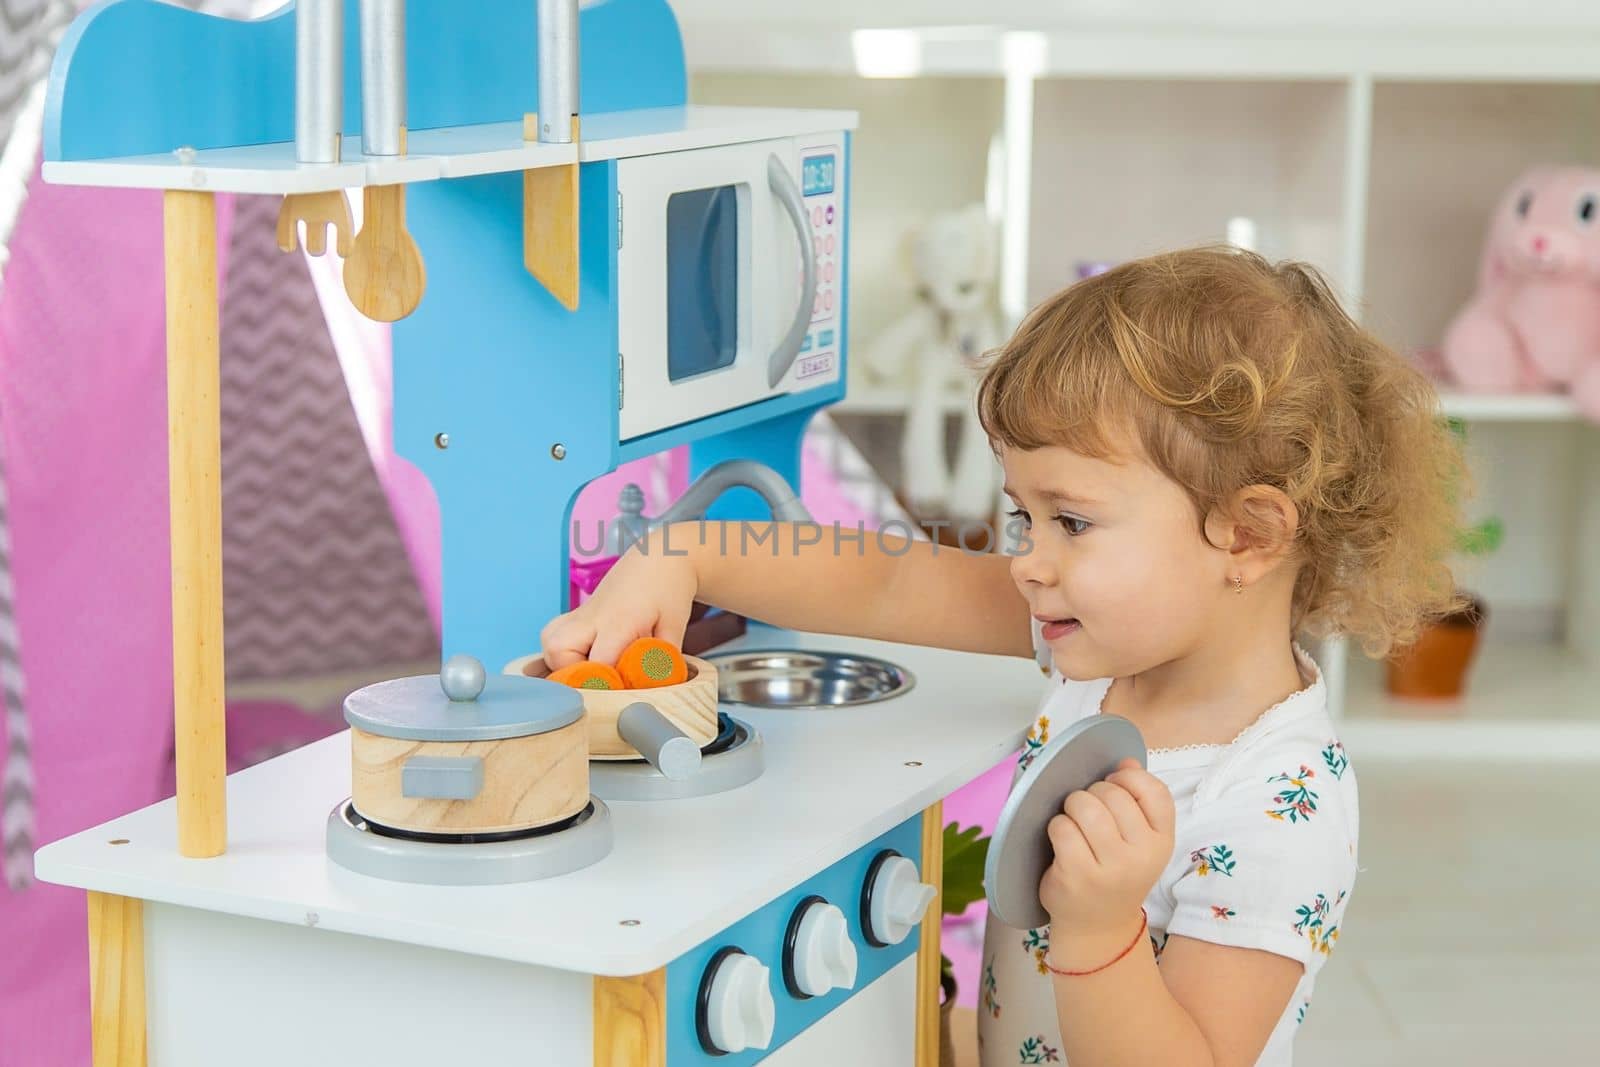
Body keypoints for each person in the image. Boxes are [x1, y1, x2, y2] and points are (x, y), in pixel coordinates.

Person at [540, 246, 1463, 1066]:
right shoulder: (1101, 646)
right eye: (1026, 515)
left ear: (1248, 533)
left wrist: (1101, 931)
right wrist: (686, 555)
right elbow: (889, 585)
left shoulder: (1277, 800)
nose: (1028, 559)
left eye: (1071, 520)